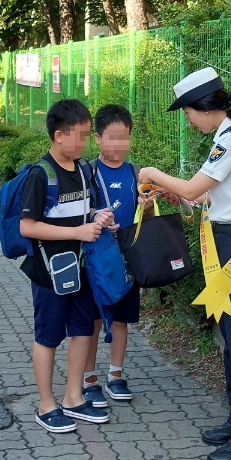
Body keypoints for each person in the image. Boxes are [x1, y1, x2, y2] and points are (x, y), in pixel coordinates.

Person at [139, 67, 231, 460]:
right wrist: (176, 195)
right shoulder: (225, 137)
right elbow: (208, 197)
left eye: (187, 112)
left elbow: (196, 187)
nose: (187, 120)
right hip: (226, 240)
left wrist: (153, 175)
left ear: (204, 107)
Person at [17, 98, 115, 433]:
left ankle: (73, 398)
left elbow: (85, 211)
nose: (86, 142)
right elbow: (27, 226)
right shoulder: (40, 174)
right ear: (59, 135)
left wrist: (98, 217)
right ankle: (46, 405)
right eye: (81, 135)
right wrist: (77, 232)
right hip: (49, 273)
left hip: (83, 268)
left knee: (83, 331)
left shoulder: (84, 170)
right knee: (48, 337)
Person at [82, 104, 149, 405]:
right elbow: (77, 211)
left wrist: (147, 207)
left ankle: (116, 375)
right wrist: (96, 216)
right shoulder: (87, 172)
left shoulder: (136, 173)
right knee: (94, 319)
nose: (118, 144)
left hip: (125, 258)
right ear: (97, 138)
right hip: (96, 259)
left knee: (120, 319)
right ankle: (89, 378)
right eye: (112, 137)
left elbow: (144, 216)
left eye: (124, 137)